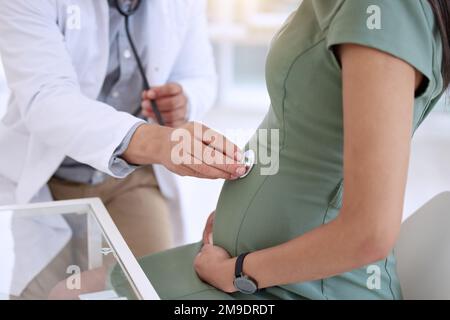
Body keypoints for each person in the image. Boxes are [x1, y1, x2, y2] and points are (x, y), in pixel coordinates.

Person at [111, 0, 449, 300]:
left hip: (301, 285)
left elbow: (369, 234)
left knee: (78, 292)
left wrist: (237, 272)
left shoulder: (383, 10)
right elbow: (301, 127)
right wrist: (240, 217)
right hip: (249, 268)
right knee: (81, 290)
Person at [0, 0, 246, 299]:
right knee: (41, 292)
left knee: (152, 288)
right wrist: (156, 141)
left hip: (134, 179)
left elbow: (201, 76)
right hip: (49, 177)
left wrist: (185, 98)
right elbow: (46, 98)